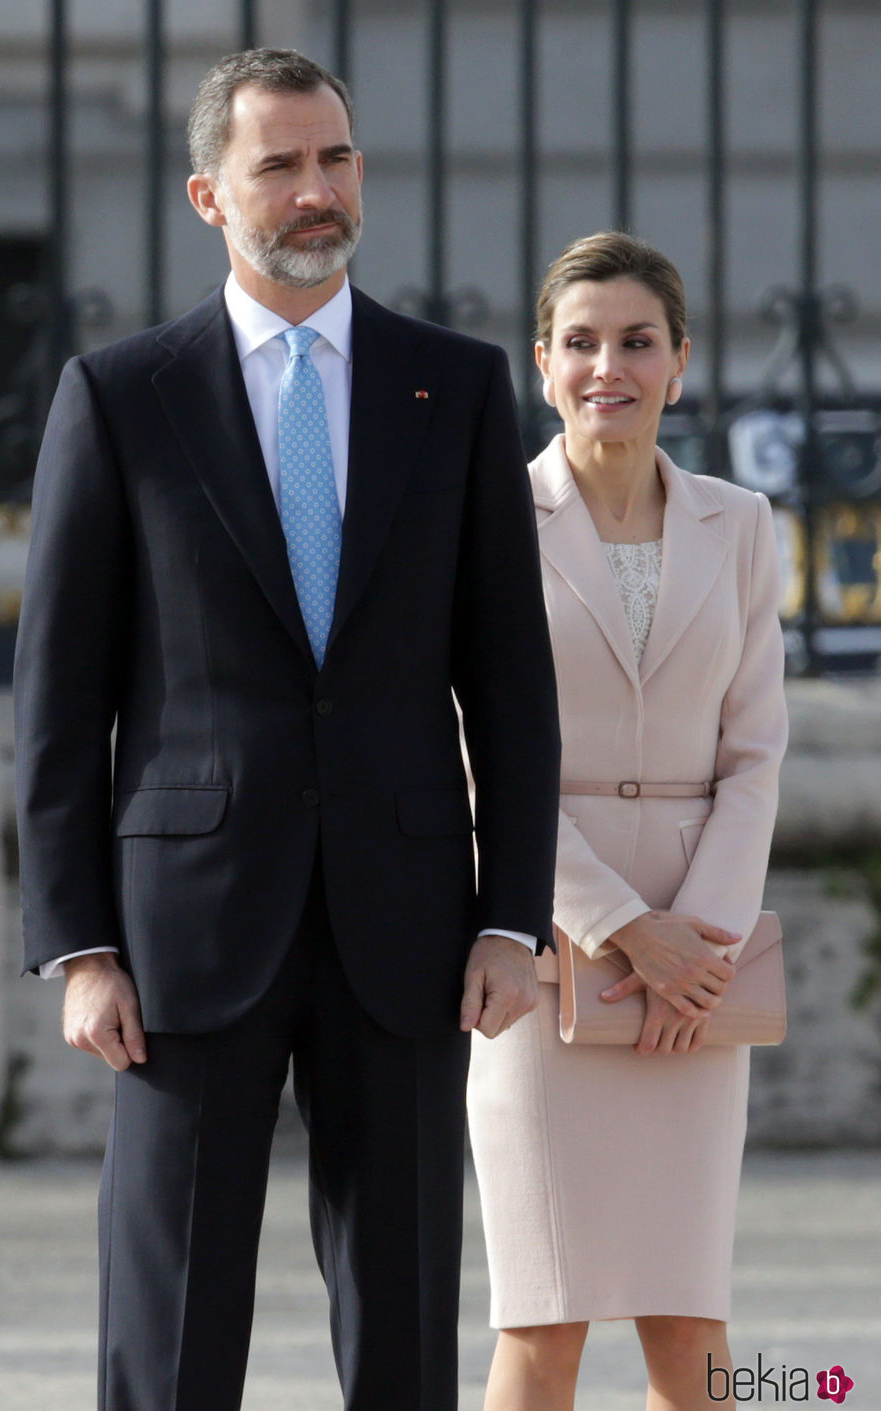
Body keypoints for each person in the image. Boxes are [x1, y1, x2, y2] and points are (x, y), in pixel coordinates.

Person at [13, 47, 560, 1411]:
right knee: (171, 1322)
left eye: (336, 158)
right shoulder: (123, 396)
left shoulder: (458, 385)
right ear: (210, 193)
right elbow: (60, 699)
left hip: (413, 922)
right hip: (184, 933)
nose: (317, 192)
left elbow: (511, 678)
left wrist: (514, 917)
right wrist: (78, 945)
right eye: (281, 165)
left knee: (407, 1320)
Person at [466, 231, 788, 1411]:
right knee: (543, 1321)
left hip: (702, 973)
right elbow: (473, 754)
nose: (611, 364)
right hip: (545, 949)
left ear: (679, 361)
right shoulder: (486, 519)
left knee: (688, 1320)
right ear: (541, 364)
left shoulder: (742, 523)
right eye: (582, 342)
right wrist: (617, 927)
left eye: (636, 342)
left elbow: (755, 747)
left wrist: (694, 941)